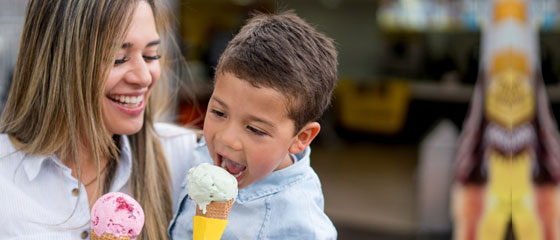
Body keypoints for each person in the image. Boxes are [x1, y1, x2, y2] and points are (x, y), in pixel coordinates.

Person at [0, 1, 198, 239]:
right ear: (56, 64)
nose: (144, 77)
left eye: (150, 55)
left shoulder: (187, 158)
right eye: (118, 58)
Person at [169, 11, 338, 239]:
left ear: (302, 138)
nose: (227, 138)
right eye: (219, 112)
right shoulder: (201, 153)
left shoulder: (299, 225)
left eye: (255, 129)